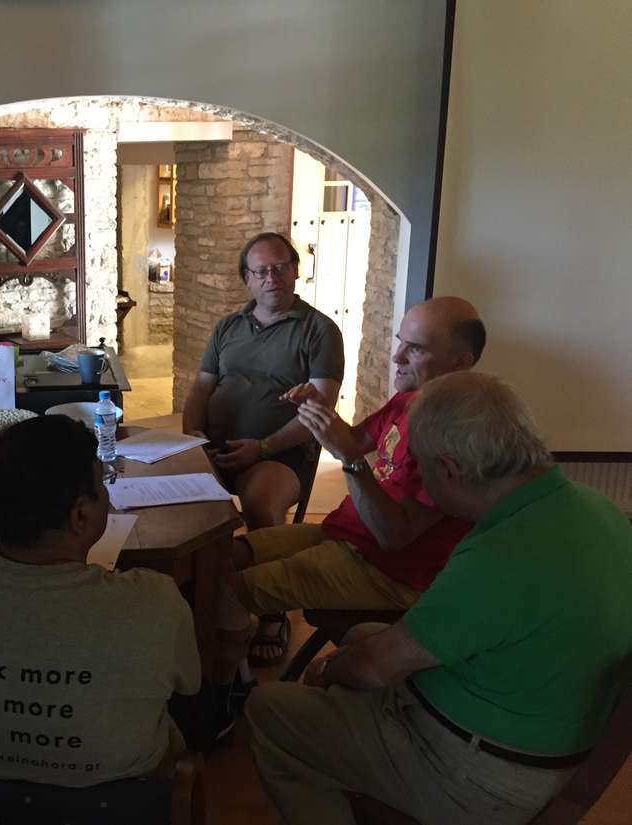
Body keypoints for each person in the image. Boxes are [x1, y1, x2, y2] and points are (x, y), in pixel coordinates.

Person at [243, 372, 632, 825]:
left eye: (420, 471)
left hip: (483, 774)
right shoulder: (600, 509)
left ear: (448, 470)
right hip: (550, 734)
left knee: (269, 711)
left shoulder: (496, 557)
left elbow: (374, 667)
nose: (418, 485)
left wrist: (328, 670)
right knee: (362, 634)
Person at [212, 296, 485, 704]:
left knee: (226, 594)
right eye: (400, 342)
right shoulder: (410, 400)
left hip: (388, 571)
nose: (396, 356)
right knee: (222, 557)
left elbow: (394, 536)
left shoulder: (456, 434)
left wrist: (349, 459)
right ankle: (231, 675)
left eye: (415, 349)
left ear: (460, 362)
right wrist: (317, 410)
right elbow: (354, 439)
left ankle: (217, 703)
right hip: (348, 536)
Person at [0, 415, 200, 787]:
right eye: (103, 485)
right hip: (117, 805)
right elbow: (189, 686)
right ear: (81, 514)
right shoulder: (154, 600)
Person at [182, 231, 345, 531]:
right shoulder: (228, 326)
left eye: (280, 268)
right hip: (212, 450)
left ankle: (265, 563)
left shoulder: (320, 330)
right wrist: (193, 436)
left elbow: (321, 409)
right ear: (247, 278)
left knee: (260, 505)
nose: (272, 278)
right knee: (174, 500)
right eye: (261, 271)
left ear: (295, 270)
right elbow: (201, 388)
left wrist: (262, 448)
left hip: (278, 456)